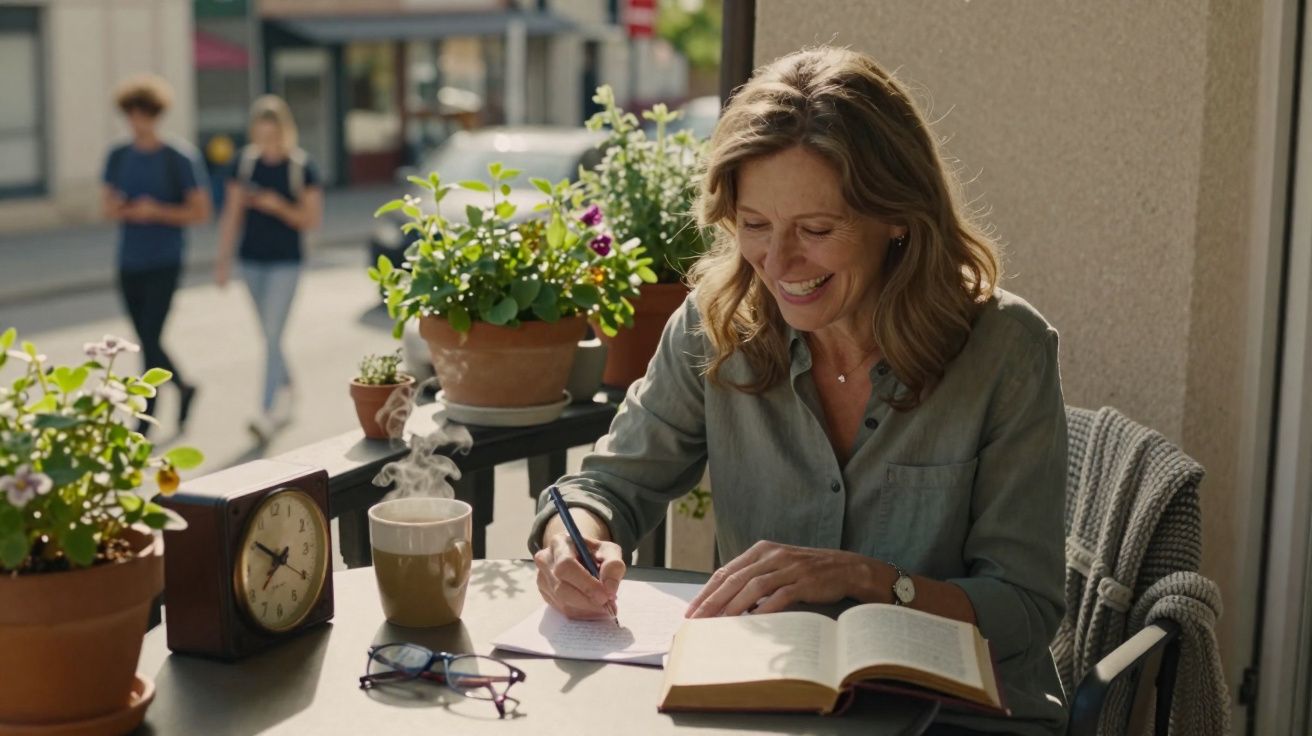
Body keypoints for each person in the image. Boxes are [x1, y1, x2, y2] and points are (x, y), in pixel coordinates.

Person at [529, 47, 1068, 735]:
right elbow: (604, 488)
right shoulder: (715, 324)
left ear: (898, 218)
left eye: (815, 230)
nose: (778, 264)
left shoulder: (1006, 352)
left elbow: (1023, 607)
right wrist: (573, 542)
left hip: (956, 720)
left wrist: (871, 582)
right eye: (755, 226)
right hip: (766, 709)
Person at [102, 74, 211, 436]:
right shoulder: (118, 156)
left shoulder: (177, 158)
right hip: (128, 260)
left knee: (149, 337)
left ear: (156, 114)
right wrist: (126, 209)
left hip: (165, 259)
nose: (138, 120)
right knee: (146, 337)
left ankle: (144, 418)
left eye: (145, 113)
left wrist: (157, 211)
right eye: (132, 113)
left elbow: (200, 212)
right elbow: (108, 207)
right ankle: (183, 386)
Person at [215, 95, 323, 442]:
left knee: (273, 334)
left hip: (286, 263)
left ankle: (266, 411)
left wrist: (277, 206)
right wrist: (223, 261)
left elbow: (309, 220)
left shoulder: (302, 168)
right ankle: (289, 387)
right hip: (251, 262)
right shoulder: (244, 165)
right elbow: (232, 215)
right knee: (270, 335)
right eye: (260, 135)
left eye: (273, 135)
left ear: (284, 132)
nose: (267, 142)